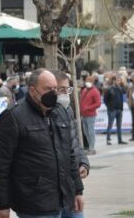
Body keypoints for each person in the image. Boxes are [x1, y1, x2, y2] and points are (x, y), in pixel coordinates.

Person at [0, 69, 84, 218]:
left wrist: (78, 190)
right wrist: (2, 205)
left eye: (55, 89)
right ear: (33, 90)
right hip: (35, 204)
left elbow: (70, 155)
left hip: (66, 199)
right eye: (47, 89)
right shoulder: (14, 116)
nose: (53, 93)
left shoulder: (61, 112)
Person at [55, 72, 90, 218]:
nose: (65, 94)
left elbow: (75, 142)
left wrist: (83, 162)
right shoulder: (40, 114)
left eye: (67, 89)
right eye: (61, 90)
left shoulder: (67, 110)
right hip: (49, 193)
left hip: (71, 186)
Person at [79, 75, 101, 154]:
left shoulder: (95, 91)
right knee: (85, 132)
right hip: (84, 114)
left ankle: (92, 148)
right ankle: (89, 147)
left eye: (89, 81)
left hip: (91, 114)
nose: (87, 82)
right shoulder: (84, 90)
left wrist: (88, 108)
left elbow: (98, 103)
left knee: (90, 131)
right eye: (87, 81)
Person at [103, 76, 127, 145]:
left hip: (119, 109)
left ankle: (120, 140)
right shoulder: (109, 89)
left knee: (119, 126)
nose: (118, 81)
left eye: (119, 80)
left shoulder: (120, 88)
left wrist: (123, 84)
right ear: (113, 81)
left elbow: (125, 92)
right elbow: (105, 99)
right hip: (112, 110)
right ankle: (108, 140)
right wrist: (109, 107)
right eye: (117, 80)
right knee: (110, 125)